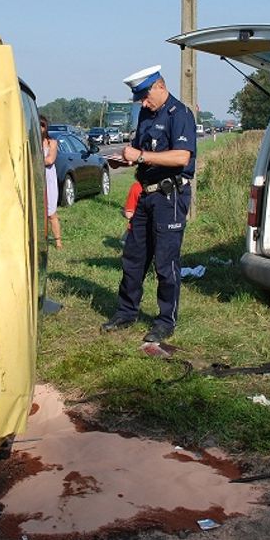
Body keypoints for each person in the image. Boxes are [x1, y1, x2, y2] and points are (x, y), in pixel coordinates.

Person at [102, 65, 197, 342]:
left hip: (170, 196)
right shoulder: (146, 113)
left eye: (145, 96)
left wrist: (141, 156)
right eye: (140, 98)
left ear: (160, 87)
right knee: (133, 257)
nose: (143, 103)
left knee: (166, 262)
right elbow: (142, 149)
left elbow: (181, 157)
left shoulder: (179, 114)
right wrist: (126, 158)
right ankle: (126, 312)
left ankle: (165, 320)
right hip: (146, 194)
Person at [40, 115, 62, 248]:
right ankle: (41, 239)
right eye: (38, 125)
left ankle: (58, 241)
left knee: (51, 213)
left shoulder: (51, 143)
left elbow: (49, 160)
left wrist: (34, 161)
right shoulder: (31, 142)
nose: (40, 128)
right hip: (37, 179)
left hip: (49, 180)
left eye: (43, 125)